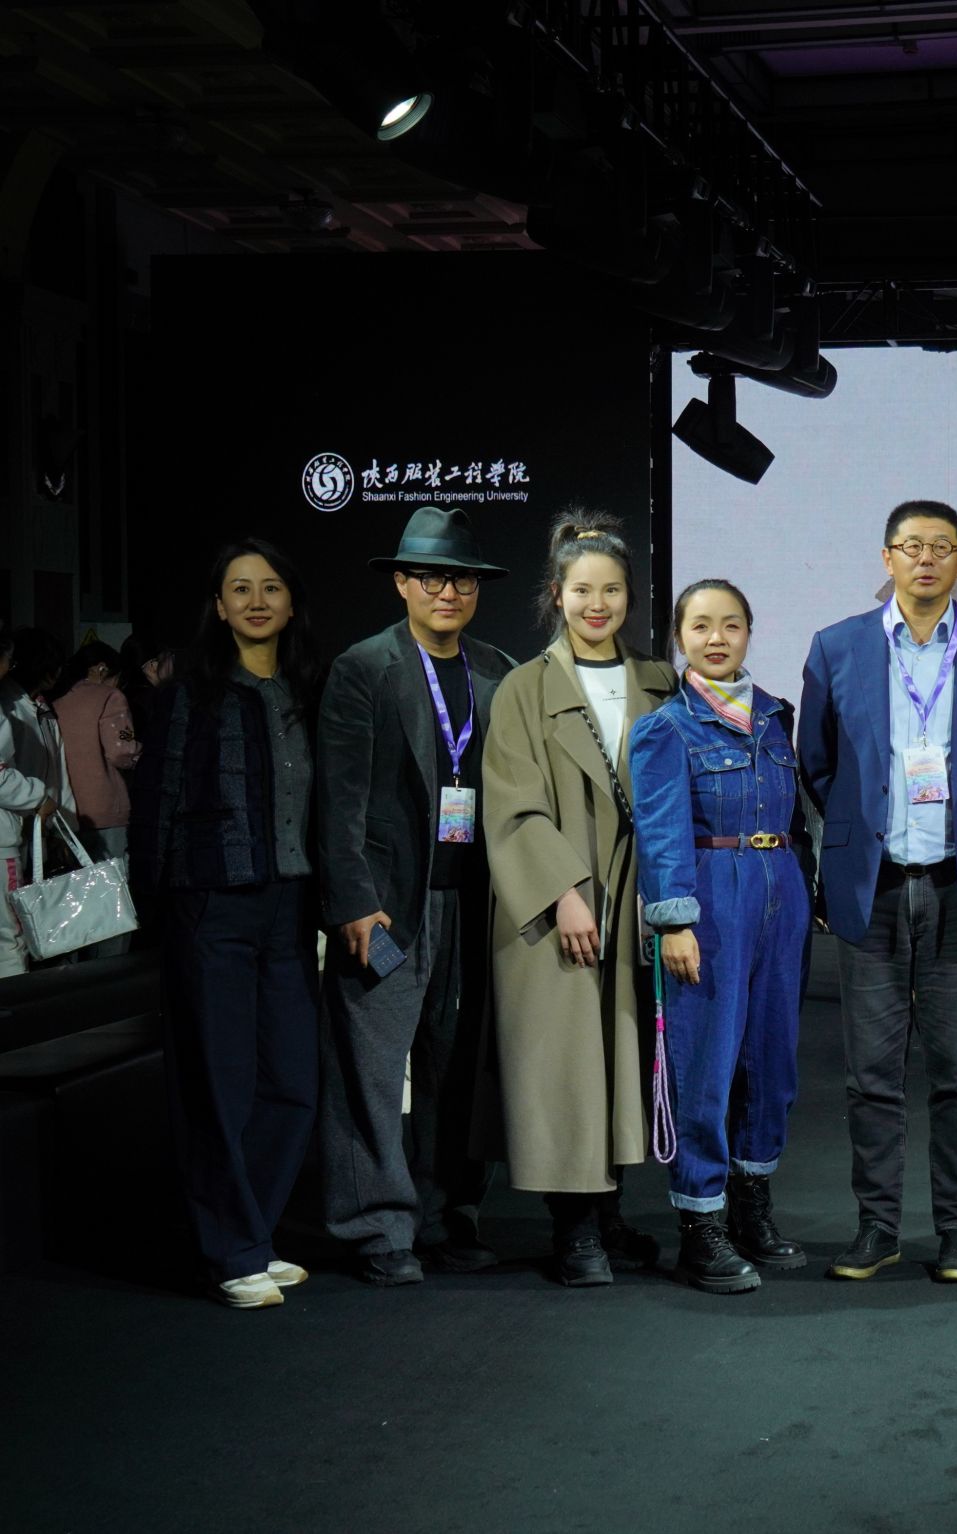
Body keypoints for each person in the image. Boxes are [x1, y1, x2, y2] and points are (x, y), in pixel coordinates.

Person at [798, 500, 957, 1283]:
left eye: (942, 547)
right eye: (911, 546)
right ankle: (878, 1229)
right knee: (871, 1075)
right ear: (887, 557)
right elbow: (819, 765)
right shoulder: (837, 647)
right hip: (872, 888)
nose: (926, 559)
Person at [317, 506, 514, 1286]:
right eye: (431, 578)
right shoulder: (364, 668)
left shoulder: (497, 669)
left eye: (461, 579)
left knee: (457, 1070)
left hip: (474, 904)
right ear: (401, 583)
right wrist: (351, 903)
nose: (447, 592)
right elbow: (338, 799)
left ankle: (447, 1216)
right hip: (388, 905)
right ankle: (377, 1228)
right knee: (370, 1073)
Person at [479, 513, 676, 1286]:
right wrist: (562, 893)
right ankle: (573, 1226)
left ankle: (610, 1210)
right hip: (555, 900)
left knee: (621, 1056)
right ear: (556, 595)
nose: (598, 605)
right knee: (563, 1062)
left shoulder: (658, 682)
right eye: (583, 590)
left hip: (635, 898)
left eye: (613, 590)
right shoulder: (523, 689)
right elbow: (513, 802)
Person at [129, 540, 325, 1306]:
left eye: (270, 587)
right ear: (218, 605)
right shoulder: (190, 693)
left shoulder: (308, 690)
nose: (256, 601)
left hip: (290, 907)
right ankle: (233, 1250)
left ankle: (253, 1231)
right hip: (211, 904)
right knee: (219, 1082)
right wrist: (156, 909)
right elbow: (157, 802)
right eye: (240, 589)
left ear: (290, 601)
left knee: (293, 1082)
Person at [631, 579, 812, 1295]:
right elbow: (660, 829)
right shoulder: (667, 727)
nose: (716, 638)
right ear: (679, 637)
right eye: (700, 626)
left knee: (772, 1061)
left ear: (748, 633)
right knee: (706, 1063)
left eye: (730, 625)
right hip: (711, 897)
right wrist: (674, 918)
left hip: (780, 893)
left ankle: (750, 1204)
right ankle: (700, 1222)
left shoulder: (775, 716)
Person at [51, 643, 142, 933]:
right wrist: (142, 752)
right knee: (113, 900)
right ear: (103, 669)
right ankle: (113, 957)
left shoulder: (57, 699)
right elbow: (121, 750)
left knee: (77, 899)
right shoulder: (110, 697)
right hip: (105, 809)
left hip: (65, 812)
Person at [0, 628, 73, 979]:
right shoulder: (8, 704)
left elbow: (57, 770)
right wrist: (38, 799)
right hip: (11, 831)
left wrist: (61, 821)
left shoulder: (41, 708)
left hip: (29, 826)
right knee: (10, 937)